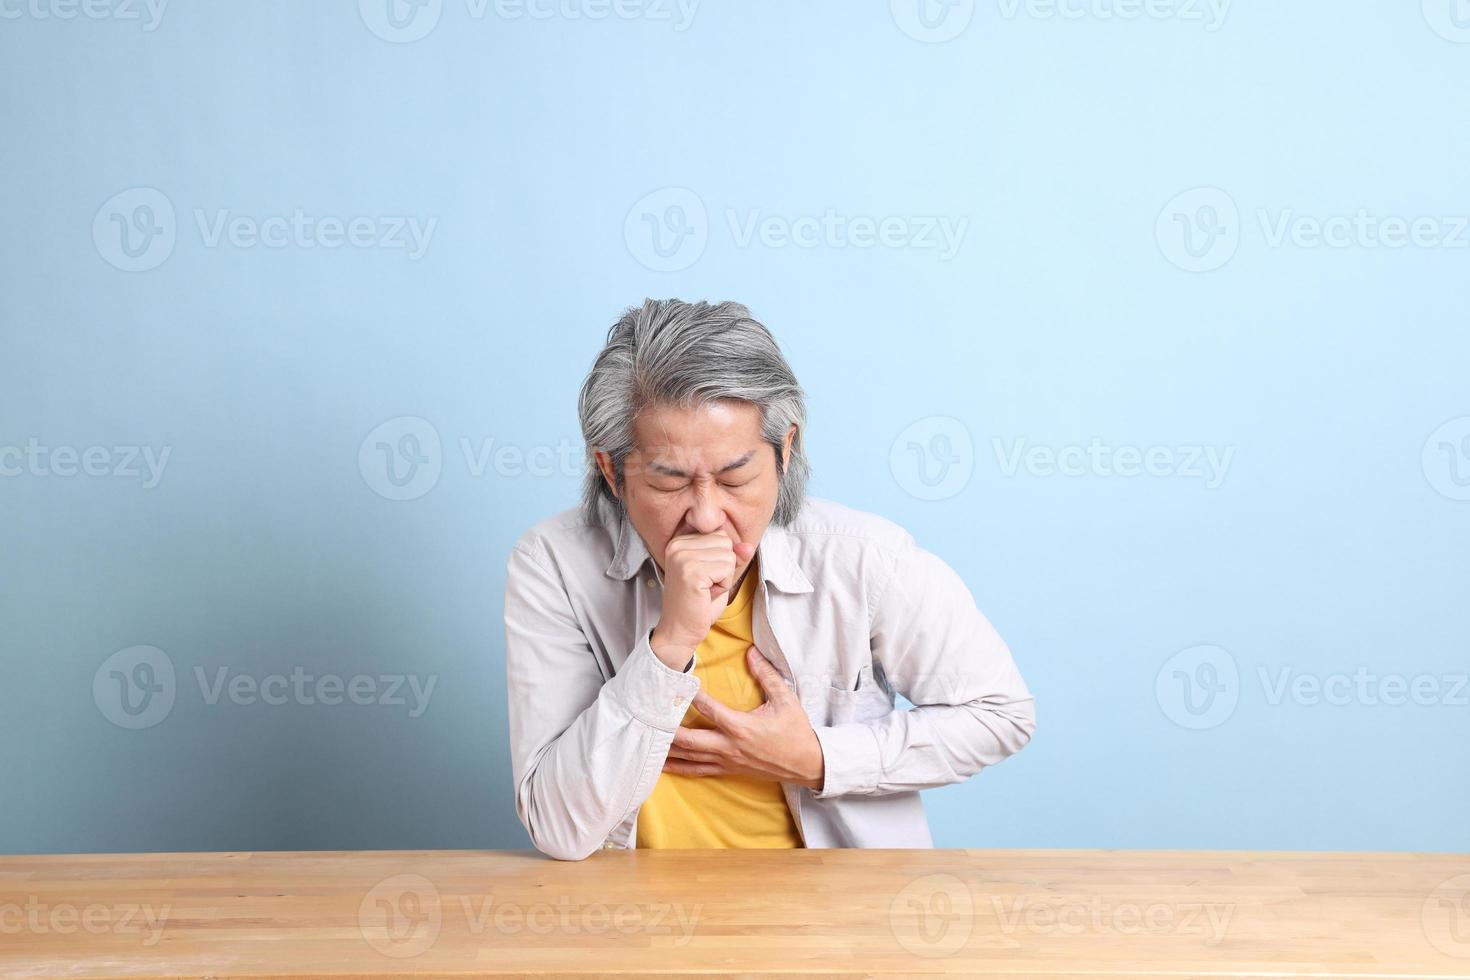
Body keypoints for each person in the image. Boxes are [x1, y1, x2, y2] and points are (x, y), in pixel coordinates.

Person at [503, 298, 1036, 860]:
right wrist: (670, 646)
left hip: (836, 925)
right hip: (638, 925)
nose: (705, 515)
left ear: (785, 451)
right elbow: (558, 827)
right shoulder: (554, 565)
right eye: (669, 482)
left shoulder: (863, 560)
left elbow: (1001, 713)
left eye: (736, 477)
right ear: (612, 471)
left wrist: (816, 758)